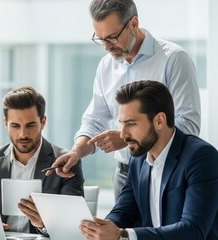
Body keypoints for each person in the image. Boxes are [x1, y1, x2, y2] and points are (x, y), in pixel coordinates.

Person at [46, 0, 201, 201]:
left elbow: (188, 124)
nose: (106, 47)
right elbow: (94, 121)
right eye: (100, 39)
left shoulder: (173, 59)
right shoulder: (106, 66)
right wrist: (76, 153)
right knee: (120, 232)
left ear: (133, 24)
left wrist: (127, 136)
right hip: (124, 176)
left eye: (112, 37)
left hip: (167, 173)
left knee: (164, 233)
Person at [80, 80, 218, 240]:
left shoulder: (201, 157)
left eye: (131, 124)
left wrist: (122, 235)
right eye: (122, 124)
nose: (123, 135)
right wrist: (102, 228)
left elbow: (193, 231)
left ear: (159, 120)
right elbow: (125, 210)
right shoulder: (138, 159)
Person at [0, 86, 84, 234]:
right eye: (15, 126)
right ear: (5, 123)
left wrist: (44, 224)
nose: (23, 134)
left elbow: (72, 225)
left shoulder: (66, 163)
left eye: (30, 125)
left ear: (43, 122)